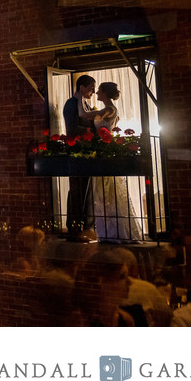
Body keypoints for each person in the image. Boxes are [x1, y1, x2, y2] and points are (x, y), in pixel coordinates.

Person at [79, 82, 143, 241]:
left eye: (98, 90)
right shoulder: (109, 110)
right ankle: (107, 231)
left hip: (104, 153)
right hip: (102, 151)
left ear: (105, 93)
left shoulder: (109, 109)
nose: (96, 92)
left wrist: (79, 96)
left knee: (106, 192)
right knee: (103, 193)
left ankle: (114, 232)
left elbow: (83, 115)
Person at [68, 248, 148, 327]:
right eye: (122, 276)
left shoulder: (127, 319)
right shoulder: (80, 322)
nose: (130, 282)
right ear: (101, 282)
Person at [63, 75, 97, 241]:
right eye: (91, 87)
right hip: (77, 151)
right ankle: (74, 228)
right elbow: (72, 127)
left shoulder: (86, 104)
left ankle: (86, 228)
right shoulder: (71, 103)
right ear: (81, 87)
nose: (93, 91)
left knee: (87, 191)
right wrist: (91, 132)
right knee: (77, 190)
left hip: (87, 152)